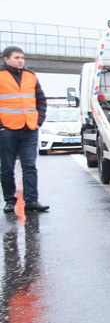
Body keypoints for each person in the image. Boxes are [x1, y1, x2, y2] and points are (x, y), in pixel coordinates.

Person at [0, 46, 49, 212]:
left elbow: (41, 100)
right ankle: (9, 201)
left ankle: (31, 201)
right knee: (7, 167)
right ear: (6, 59)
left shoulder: (30, 76)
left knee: (30, 166)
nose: (20, 61)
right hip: (7, 129)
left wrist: (39, 121)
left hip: (29, 128)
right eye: (17, 58)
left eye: (22, 58)